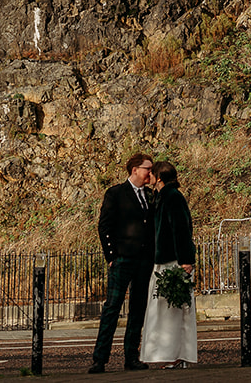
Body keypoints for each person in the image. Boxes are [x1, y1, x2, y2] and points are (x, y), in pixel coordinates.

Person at [90, 153, 156, 373]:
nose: (151, 173)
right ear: (135, 169)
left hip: (143, 261)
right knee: (112, 308)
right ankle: (100, 359)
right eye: (148, 168)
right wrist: (111, 257)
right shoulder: (116, 193)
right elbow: (104, 226)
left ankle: (131, 357)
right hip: (122, 259)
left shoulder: (150, 194)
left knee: (138, 309)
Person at [138, 160, 197, 369]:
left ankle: (176, 355)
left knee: (173, 310)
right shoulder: (163, 197)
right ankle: (171, 354)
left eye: (152, 173)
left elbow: (181, 229)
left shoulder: (171, 198)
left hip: (173, 262)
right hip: (164, 260)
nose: (149, 177)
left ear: (159, 177)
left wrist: (186, 260)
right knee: (166, 310)